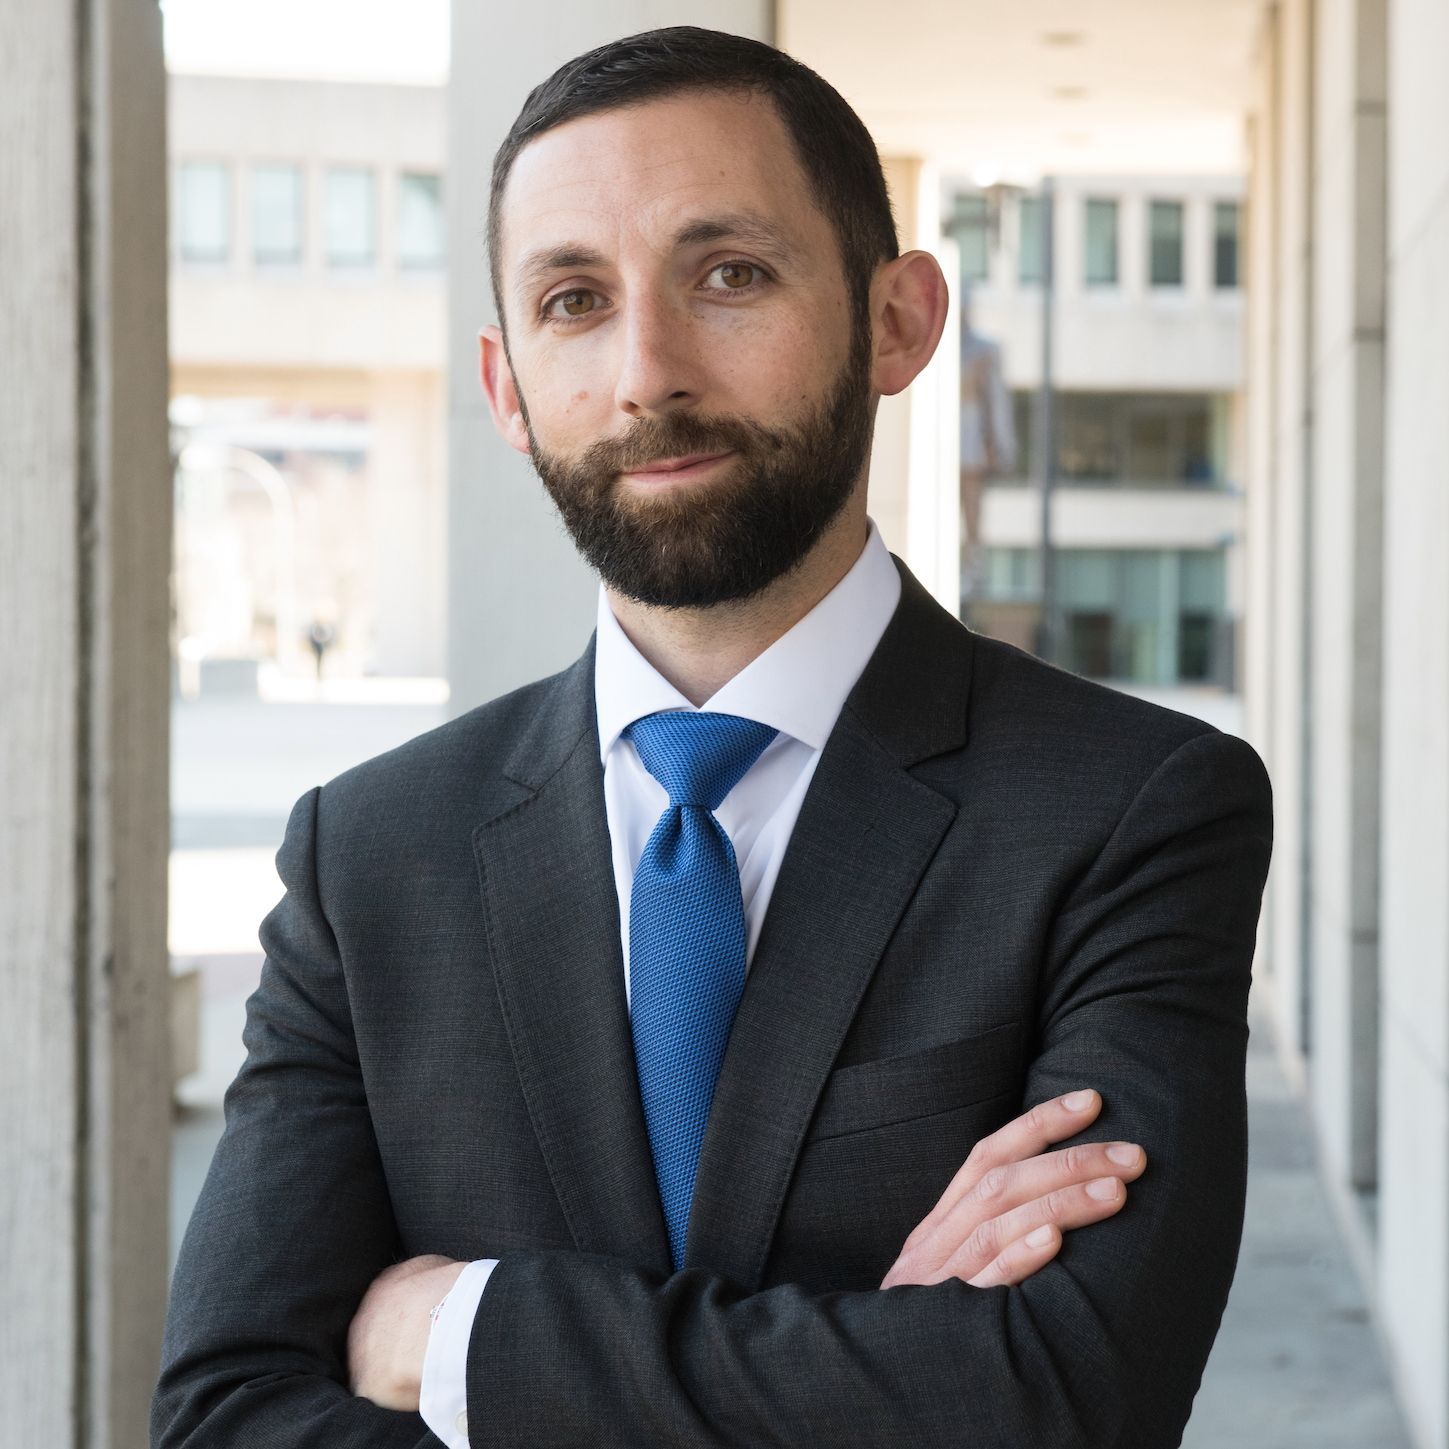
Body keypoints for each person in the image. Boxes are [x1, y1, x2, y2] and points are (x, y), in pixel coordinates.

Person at [152, 26, 1273, 1449]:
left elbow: (1065, 1397)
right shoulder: (368, 856)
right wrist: (888, 1358)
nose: (646, 372)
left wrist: (457, 1335)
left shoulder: (1131, 810)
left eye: (728, 275)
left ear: (897, 321)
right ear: (504, 388)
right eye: (573, 299)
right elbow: (223, 1417)